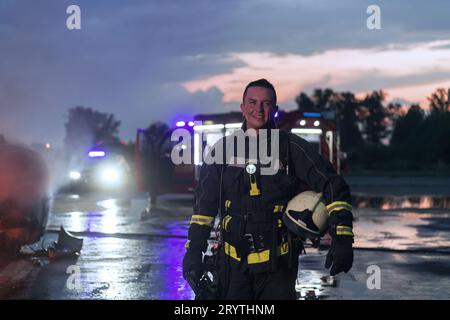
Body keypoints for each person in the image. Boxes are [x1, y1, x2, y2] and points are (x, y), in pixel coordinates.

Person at [183, 79, 354, 300]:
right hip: (232, 269)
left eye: (266, 103)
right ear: (243, 108)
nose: (259, 109)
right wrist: (194, 250)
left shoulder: (290, 147)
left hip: (278, 270)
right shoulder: (222, 151)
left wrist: (342, 237)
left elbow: (333, 185)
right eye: (252, 102)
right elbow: (203, 208)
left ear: (274, 109)